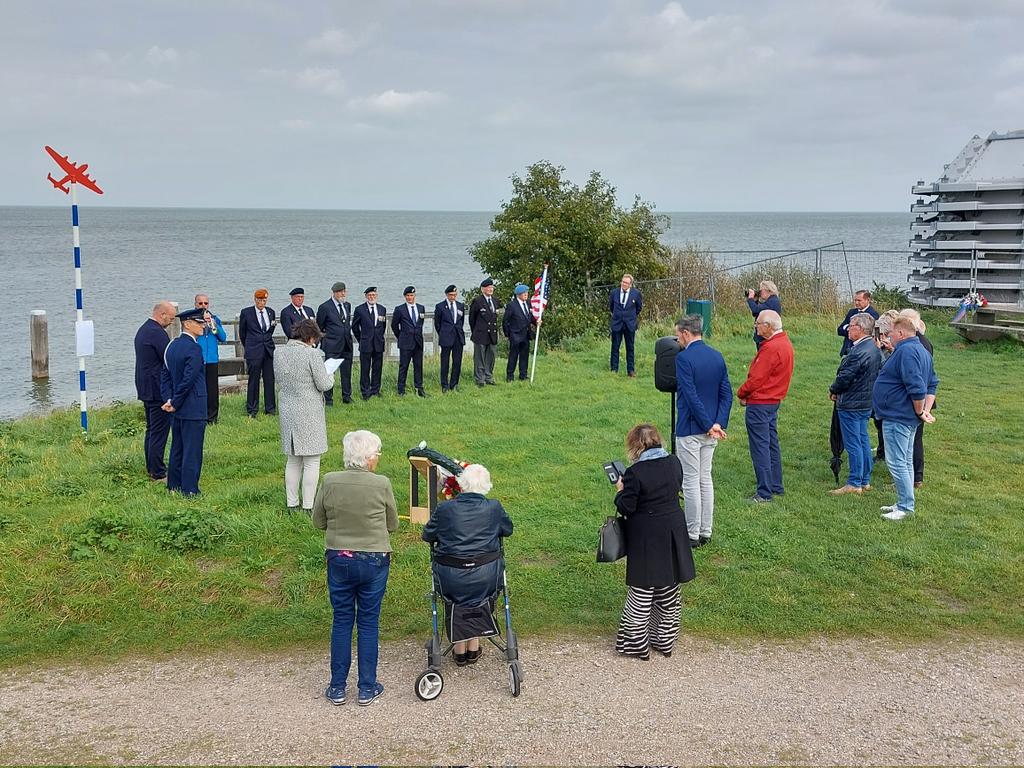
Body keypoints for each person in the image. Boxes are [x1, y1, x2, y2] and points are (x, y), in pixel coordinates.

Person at [311, 430, 398, 707]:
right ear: (369, 458)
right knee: (368, 622)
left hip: (339, 557)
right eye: (377, 454)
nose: (378, 459)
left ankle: (337, 687)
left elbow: (318, 521)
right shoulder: (381, 484)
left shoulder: (330, 480)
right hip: (374, 559)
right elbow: (393, 524)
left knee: (342, 620)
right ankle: (367, 687)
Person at [612, 423, 696, 660]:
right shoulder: (674, 462)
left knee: (641, 591)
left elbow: (627, 506)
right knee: (669, 589)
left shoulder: (635, 473)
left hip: (647, 535)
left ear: (635, 446)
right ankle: (664, 640)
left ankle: (636, 644)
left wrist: (620, 490)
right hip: (673, 530)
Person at [421, 464, 513, 665]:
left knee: (458, 596)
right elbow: (507, 530)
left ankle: (460, 650)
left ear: (461, 484)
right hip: (486, 576)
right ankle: (473, 647)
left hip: (451, 578)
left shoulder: (445, 509)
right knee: (478, 593)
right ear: (486, 485)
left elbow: (427, 535)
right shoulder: (494, 507)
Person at [871, 316, 938, 521]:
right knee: (906, 460)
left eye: (891, 332)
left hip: (899, 415)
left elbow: (917, 386)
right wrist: (924, 410)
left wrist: (920, 411)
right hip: (906, 416)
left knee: (897, 461)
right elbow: (932, 383)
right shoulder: (920, 350)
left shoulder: (907, 351)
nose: (888, 336)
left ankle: (905, 506)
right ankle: (904, 501)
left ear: (900, 333)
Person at [673, 314, 732, 547]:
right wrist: (718, 423)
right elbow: (726, 394)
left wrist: (708, 424)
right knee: (705, 478)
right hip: (711, 429)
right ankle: (706, 530)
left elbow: (690, 396)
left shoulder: (684, 359)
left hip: (691, 428)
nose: (677, 340)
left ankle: (692, 533)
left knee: (691, 480)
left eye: (678, 335)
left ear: (686, 333)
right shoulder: (716, 356)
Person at [274, 319, 334, 512]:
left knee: (293, 459)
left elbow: (279, 379)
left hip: (287, 409)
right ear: (310, 337)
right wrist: (330, 373)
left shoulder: (279, 352)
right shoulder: (312, 354)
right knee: (312, 460)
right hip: (308, 410)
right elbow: (324, 384)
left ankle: (292, 503)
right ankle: (308, 505)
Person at [736, 309, 794, 503]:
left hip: (760, 403)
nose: (756, 326)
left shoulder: (770, 348)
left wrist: (741, 393)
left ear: (768, 326)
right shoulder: (784, 343)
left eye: (758, 323)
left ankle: (764, 492)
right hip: (773, 401)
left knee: (760, 447)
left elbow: (756, 379)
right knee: (771, 444)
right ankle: (776, 485)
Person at [828, 312, 882, 495]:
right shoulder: (873, 347)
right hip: (866, 401)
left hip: (852, 403)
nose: (847, 330)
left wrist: (834, 390)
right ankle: (865, 480)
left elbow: (845, 377)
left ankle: (854, 482)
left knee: (853, 443)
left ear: (860, 329)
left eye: (850, 326)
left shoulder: (858, 352)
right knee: (863, 439)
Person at [159, 308, 208, 497]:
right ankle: (190, 489)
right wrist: (175, 401)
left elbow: (165, 374)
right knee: (192, 449)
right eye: (199, 322)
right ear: (187, 324)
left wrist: (168, 399)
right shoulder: (194, 348)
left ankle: (174, 485)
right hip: (192, 405)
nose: (203, 326)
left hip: (176, 406)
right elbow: (189, 379)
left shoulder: (171, 346)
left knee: (177, 447)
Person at [134, 301, 175, 481]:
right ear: (162, 314)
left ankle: (151, 467)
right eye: (170, 319)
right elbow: (168, 358)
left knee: (151, 430)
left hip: (145, 386)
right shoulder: (157, 333)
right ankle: (158, 472)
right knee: (159, 431)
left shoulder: (144, 329)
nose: (171, 323)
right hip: (157, 389)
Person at [900, 308, 934, 488]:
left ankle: (914, 477)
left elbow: (917, 378)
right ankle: (915, 476)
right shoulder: (922, 341)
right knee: (914, 438)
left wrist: (922, 409)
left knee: (913, 439)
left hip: (916, 398)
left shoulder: (917, 344)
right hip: (920, 397)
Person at [238, 288, 277, 417]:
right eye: (259, 300)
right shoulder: (246, 313)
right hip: (254, 350)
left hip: (268, 350)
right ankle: (252, 409)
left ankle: (270, 409)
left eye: (264, 300)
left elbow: (270, 330)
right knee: (254, 380)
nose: (262, 303)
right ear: (255, 300)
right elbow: (242, 333)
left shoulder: (270, 312)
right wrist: (250, 346)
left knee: (269, 379)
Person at [315, 281, 354, 406]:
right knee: (329, 372)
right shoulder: (325, 307)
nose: (343, 294)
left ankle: (347, 396)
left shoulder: (347, 305)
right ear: (334, 293)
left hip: (346, 344)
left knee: (346, 372)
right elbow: (319, 326)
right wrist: (324, 340)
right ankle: (328, 399)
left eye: (344, 291)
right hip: (332, 345)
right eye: (340, 292)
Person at [193, 294, 227, 424]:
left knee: (212, 390)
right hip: (198, 360)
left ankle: (212, 418)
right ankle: (199, 415)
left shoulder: (215, 319)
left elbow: (223, 338)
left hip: (212, 360)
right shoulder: (192, 320)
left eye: (205, 303)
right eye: (200, 303)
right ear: (195, 304)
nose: (203, 306)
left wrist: (213, 324)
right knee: (198, 389)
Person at [352, 287, 386, 400]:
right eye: (370, 295)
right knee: (365, 369)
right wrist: (361, 339)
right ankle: (365, 392)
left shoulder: (382, 309)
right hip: (366, 343)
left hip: (378, 343)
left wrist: (379, 337)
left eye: (373, 295)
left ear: (376, 296)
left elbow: (383, 326)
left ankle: (375, 390)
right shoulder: (360, 309)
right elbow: (355, 327)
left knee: (377, 368)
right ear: (366, 296)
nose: (372, 297)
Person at [391, 285, 427, 397]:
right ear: (405, 296)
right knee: (404, 366)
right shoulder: (400, 309)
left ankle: (419, 388)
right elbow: (394, 325)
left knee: (418, 366)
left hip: (418, 342)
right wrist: (401, 336)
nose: (409, 297)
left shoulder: (421, 308)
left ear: (414, 295)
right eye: (407, 295)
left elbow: (420, 324)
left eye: (411, 295)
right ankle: (401, 390)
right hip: (406, 342)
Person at [609, 273, 643, 377]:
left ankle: (631, 371)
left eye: (626, 283)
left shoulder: (636, 294)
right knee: (615, 347)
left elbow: (638, 308)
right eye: (623, 282)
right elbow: (611, 307)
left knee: (630, 348)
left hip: (629, 324)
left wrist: (630, 317)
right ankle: (614, 370)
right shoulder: (614, 293)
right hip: (617, 323)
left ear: (630, 284)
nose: (624, 284)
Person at [502, 283, 537, 382]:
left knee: (524, 356)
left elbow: (530, 317)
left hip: (526, 334)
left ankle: (523, 374)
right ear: (518, 295)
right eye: (524, 293)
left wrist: (536, 322)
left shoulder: (528, 303)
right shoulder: (512, 305)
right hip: (515, 334)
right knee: (513, 356)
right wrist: (508, 334)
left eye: (527, 293)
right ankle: (510, 376)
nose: (526, 295)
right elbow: (505, 321)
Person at [434, 284, 466, 392]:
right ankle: (444, 384)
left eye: (455, 295)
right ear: (447, 295)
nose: (453, 297)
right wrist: (443, 333)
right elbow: (437, 323)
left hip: (458, 337)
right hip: (446, 337)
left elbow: (461, 321)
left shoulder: (460, 306)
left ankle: (454, 384)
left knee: (457, 362)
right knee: (445, 362)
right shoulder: (440, 306)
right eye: (451, 295)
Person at [469, 277, 499, 386]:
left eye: (492, 287)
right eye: (488, 287)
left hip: (492, 333)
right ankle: (480, 379)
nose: (490, 289)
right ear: (482, 289)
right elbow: (472, 319)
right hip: (480, 333)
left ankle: (488, 377)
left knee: (491, 357)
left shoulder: (495, 301)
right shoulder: (477, 301)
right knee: (479, 358)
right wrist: (476, 330)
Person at [838, 290, 879, 356]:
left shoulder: (873, 315)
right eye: (855, 300)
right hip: (847, 349)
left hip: (861, 351)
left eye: (859, 300)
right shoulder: (852, 312)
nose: (856, 303)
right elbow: (839, 330)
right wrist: (850, 329)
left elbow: (867, 333)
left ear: (867, 300)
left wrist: (847, 328)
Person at [746, 280, 782, 349]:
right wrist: (755, 301)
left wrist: (750, 299)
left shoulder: (772, 302)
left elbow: (755, 309)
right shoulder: (772, 301)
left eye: (761, 291)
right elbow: (757, 313)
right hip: (765, 334)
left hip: (766, 336)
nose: (760, 293)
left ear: (768, 290)